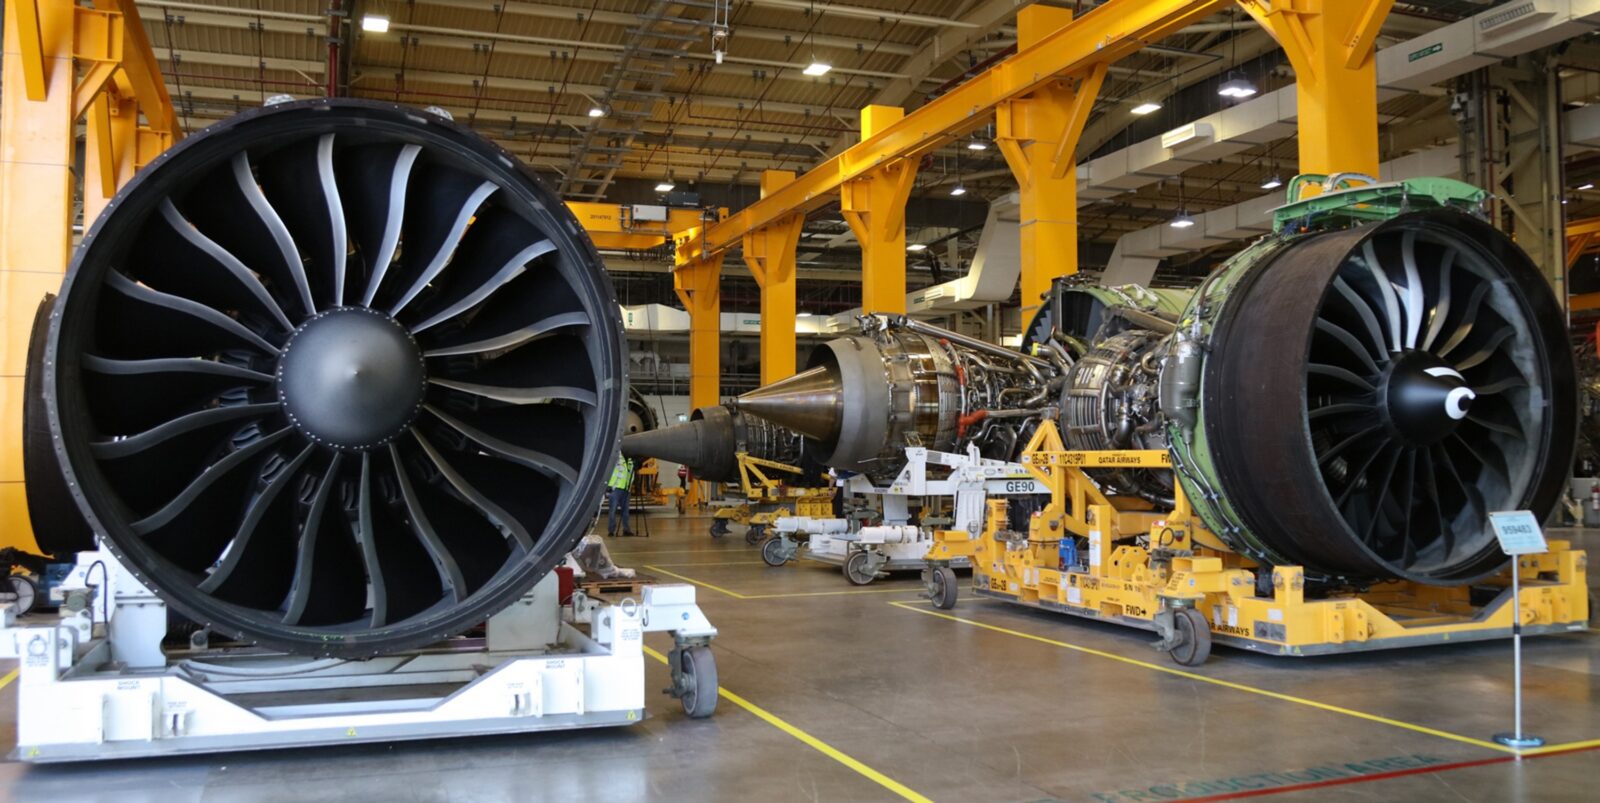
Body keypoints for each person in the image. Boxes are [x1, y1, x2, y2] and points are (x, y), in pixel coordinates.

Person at [606, 454, 635, 537]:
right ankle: (611, 531)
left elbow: (631, 474)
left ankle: (626, 530)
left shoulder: (630, 460)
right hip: (615, 488)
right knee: (612, 511)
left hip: (626, 489)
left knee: (625, 511)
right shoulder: (615, 457)